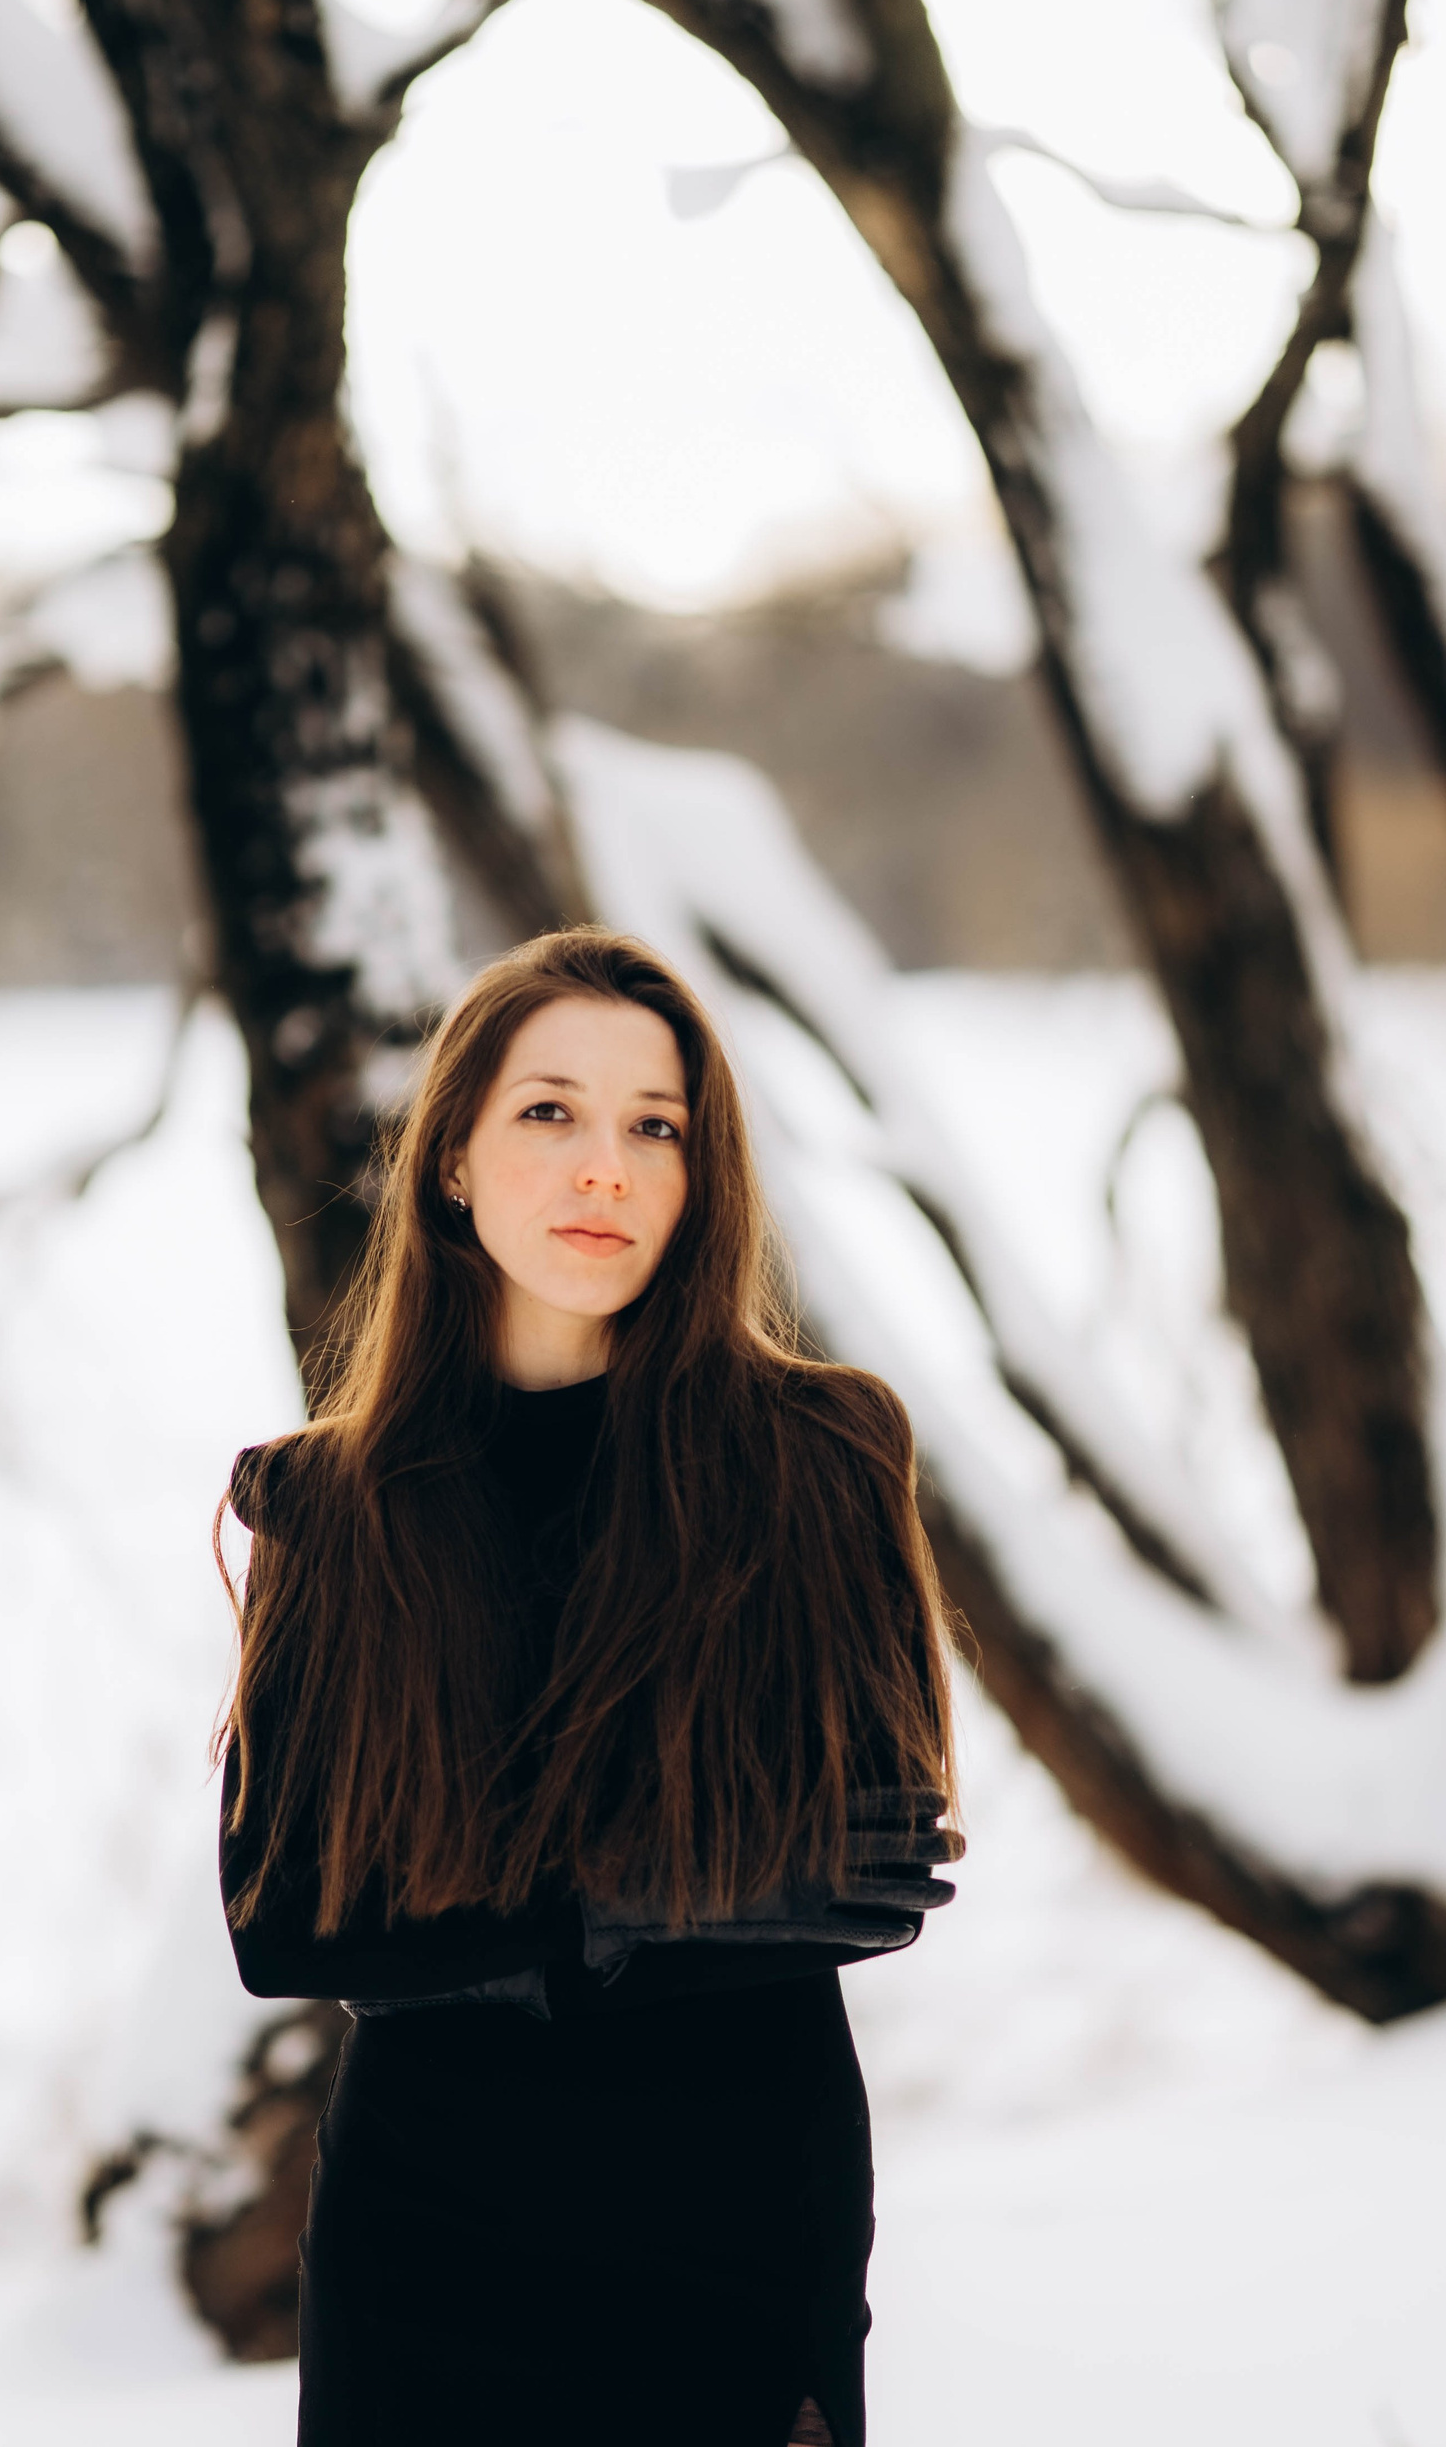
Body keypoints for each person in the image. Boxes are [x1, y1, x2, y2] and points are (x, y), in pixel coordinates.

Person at [217, 927, 963, 2447]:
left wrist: (487, 1925)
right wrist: (639, 1905)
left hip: (738, 2240)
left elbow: (880, 1873)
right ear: (452, 1160)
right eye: (549, 1111)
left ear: (703, 1178)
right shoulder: (335, 1508)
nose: (604, 1168)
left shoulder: (820, 1460)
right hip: (422, 2257)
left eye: (656, 1127)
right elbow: (285, 1923)